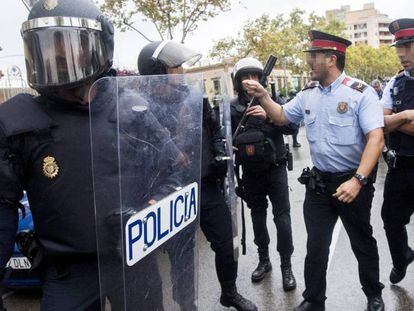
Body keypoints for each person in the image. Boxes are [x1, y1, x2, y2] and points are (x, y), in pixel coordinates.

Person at [242, 31, 385, 311]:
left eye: (314, 57)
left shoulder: (360, 93)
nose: (309, 62)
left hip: (352, 183)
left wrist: (358, 181)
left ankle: (373, 294)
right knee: (316, 247)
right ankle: (314, 300)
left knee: (362, 242)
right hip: (319, 184)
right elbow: (282, 115)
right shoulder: (308, 94)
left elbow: (376, 140)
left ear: (332, 59)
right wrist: (263, 96)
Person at [0, 0, 117, 309]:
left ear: (100, 48)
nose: (58, 58)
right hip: (70, 275)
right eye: (48, 48)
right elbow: (1, 207)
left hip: (131, 257)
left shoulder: (130, 107)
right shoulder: (19, 122)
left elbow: (170, 167)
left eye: (69, 46)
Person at [137, 41, 257, 311]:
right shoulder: (143, 107)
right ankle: (186, 304)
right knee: (182, 255)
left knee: (226, 243)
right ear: (156, 70)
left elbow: (214, 129)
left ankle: (230, 292)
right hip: (173, 191)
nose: (181, 71)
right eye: (175, 66)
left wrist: (218, 150)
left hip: (206, 184)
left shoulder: (195, 97)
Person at [230, 57, 297, 291]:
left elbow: (292, 126)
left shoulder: (273, 100)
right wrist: (228, 145)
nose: (251, 81)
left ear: (262, 79)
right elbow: (222, 136)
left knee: (283, 219)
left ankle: (286, 266)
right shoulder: (232, 107)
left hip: (275, 168)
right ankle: (264, 260)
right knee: (258, 218)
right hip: (250, 173)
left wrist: (268, 114)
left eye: (256, 76)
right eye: (246, 77)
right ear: (238, 81)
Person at [381, 18, 414, 286]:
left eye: (409, 46)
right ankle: (401, 257)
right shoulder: (395, 83)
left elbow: (391, 123)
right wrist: (405, 114)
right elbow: (382, 121)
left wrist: (396, 121)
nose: (402, 54)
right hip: (400, 166)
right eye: (399, 47)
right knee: (390, 220)